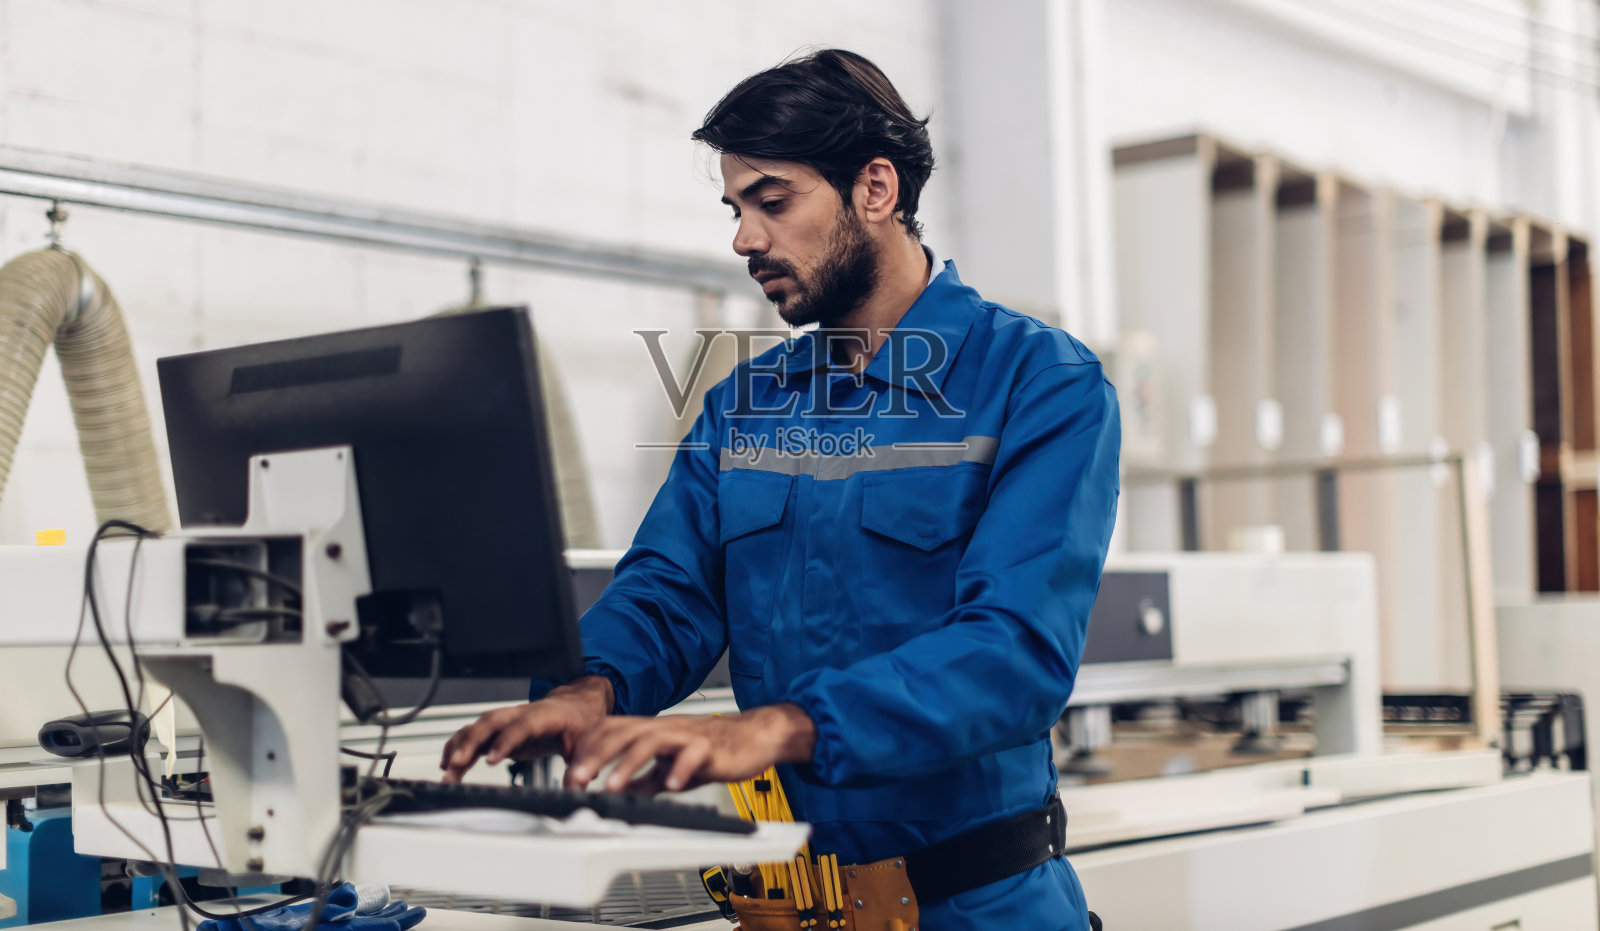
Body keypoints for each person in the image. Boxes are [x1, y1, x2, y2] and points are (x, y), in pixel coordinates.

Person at [441, 48, 1120, 929]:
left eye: (773, 201)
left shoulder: (1039, 384)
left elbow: (1014, 652)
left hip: (977, 906)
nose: (744, 239)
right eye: (735, 208)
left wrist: (774, 726)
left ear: (875, 189)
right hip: (794, 907)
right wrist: (590, 686)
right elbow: (666, 590)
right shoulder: (744, 407)